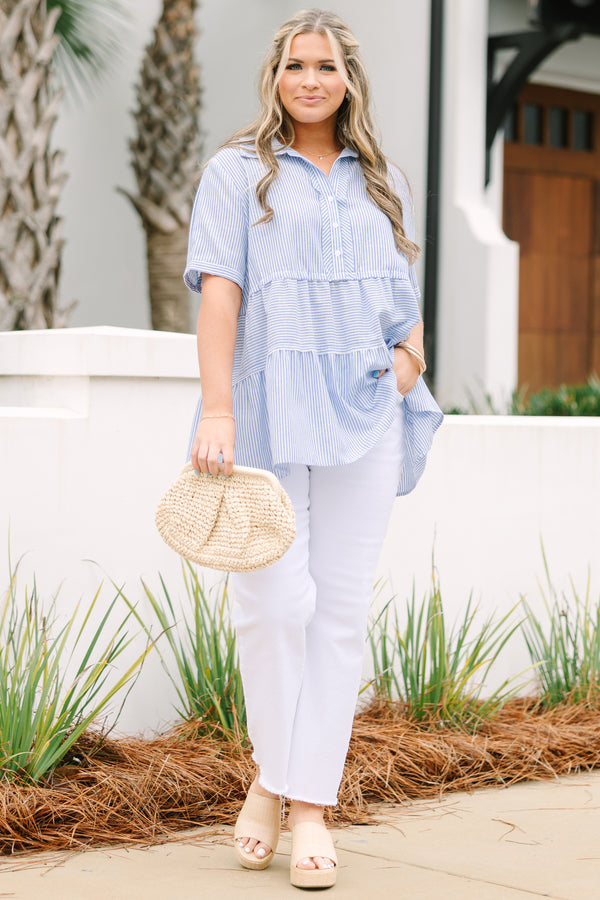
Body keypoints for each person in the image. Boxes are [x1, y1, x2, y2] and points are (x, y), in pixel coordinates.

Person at [184, 8, 442, 890]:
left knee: (338, 615)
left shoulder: (385, 180)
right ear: (276, 76)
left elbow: (405, 306)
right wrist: (218, 409)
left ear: (348, 80)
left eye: (325, 65)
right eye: (296, 64)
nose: (310, 79)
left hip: (366, 413)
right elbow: (220, 295)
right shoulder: (236, 172)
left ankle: (304, 807)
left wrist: (408, 367)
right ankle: (275, 777)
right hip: (263, 410)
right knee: (272, 605)